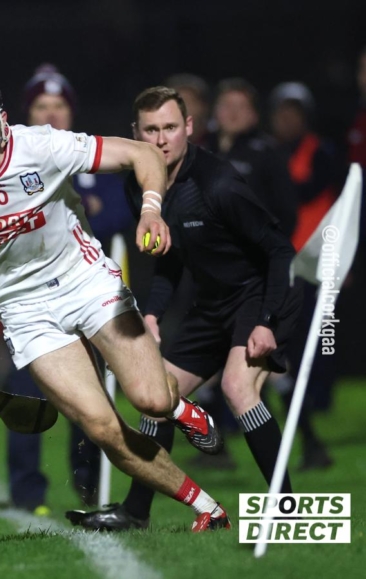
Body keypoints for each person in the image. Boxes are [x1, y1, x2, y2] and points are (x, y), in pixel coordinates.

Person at [0, 70, 230, 533]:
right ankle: (208, 509)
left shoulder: (43, 146)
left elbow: (143, 153)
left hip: (87, 283)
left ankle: (178, 409)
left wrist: (151, 209)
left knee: (151, 400)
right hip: (26, 312)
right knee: (102, 428)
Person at [68, 87, 302, 531]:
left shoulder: (218, 184)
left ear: (189, 127)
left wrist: (268, 321)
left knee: (237, 387)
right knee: (158, 397)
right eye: (151, 130)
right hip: (211, 304)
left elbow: (279, 251)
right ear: (135, 133)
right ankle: (136, 513)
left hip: (258, 295)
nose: (161, 140)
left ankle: (287, 510)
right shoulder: (141, 188)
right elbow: (171, 260)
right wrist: (152, 313)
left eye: (171, 127)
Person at [3, 64, 133, 511]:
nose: (51, 113)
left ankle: (90, 485)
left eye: (59, 105)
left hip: (85, 299)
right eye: (42, 105)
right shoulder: (13, 164)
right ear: (27, 113)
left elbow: (121, 215)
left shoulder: (91, 161)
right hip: (31, 300)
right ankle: (27, 494)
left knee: (90, 398)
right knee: (27, 399)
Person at [269, 81, 339, 470]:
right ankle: (303, 419)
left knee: (320, 337)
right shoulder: (270, 151)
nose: (286, 119)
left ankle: (316, 404)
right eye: (281, 112)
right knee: (284, 345)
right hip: (281, 262)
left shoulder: (321, 152)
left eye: (293, 112)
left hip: (315, 260)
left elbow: (313, 193)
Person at [207, 78, 297, 237]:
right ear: (215, 111)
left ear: (254, 115)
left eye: (241, 106)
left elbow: (286, 213)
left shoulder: (269, 154)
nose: (233, 113)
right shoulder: (199, 149)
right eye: (227, 105)